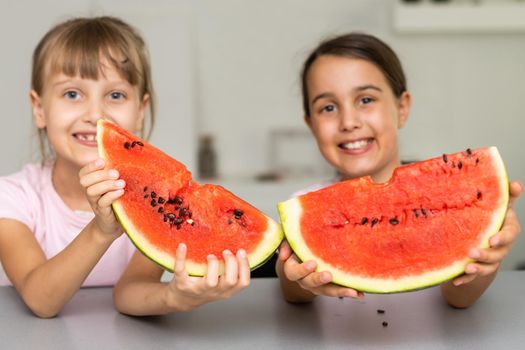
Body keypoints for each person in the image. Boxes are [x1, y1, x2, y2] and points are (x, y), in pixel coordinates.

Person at [0, 16, 249, 318]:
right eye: (72, 94)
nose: (95, 114)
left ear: (140, 111)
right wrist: (101, 230)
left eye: (115, 95)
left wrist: (176, 297)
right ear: (39, 109)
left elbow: (130, 292)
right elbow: (41, 300)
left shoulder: (162, 200)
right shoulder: (12, 198)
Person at [276, 32, 522, 308]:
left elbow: (459, 299)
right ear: (311, 124)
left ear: (401, 108)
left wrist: (485, 253)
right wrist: (296, 279)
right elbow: (291, 291)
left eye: (366, 100)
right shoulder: (305, 203)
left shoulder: (445, 198)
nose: (348, 121)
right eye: (328, 107)